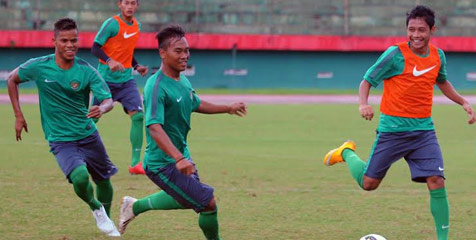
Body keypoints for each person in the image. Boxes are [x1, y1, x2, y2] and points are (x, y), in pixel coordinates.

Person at [322, 5, 475, 240]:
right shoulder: (395, 54)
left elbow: (441, 81)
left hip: (424, 132)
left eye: (421, 30)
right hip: (393, 131)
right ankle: (346, 153)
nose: (415, 34)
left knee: (436, 180)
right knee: (368, 184)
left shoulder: (437, 55)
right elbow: (367, 80)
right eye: (411, 29)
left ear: (432, 30)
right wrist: (363, 104)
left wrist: (462, 101)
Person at [117, 24, 247, 239]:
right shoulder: (156, 85)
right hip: (162, 163)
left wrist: (227, 108)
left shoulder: (182, 79)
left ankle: (134, 206)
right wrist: (178, 158)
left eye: (186, 50)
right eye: (178, 51)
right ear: (162, 53)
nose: (185, 55)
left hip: (181, 155)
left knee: (186, 198)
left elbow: (194, 102)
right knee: (207, 202)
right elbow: (154, 127)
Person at [8, 18, 121, 237]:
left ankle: (106, 219)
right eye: (65, 40)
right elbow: (12, 79)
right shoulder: (39, 66)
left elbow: (108, 99)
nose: (70, 45)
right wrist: (18, 115)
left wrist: (103, 109)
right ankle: (96, 208)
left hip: (88, 134)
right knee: (79, 178)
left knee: (104, 180)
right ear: (54, 41)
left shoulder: (86, 70)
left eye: (74, 40)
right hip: (61, 139)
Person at [91, 0, 149, 175]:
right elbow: (95, 47)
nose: (130, 6)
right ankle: (80, 154)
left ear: (137, 6)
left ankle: (134, 164)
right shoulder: (111, 24)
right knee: (93, 116)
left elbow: (126, 51)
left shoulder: (137, 25)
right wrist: (109, 61)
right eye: (126, 3)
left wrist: (136, 66)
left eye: (133, 3)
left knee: (138, 116)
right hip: (105, 80)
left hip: (126, 80)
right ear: (120, 5)